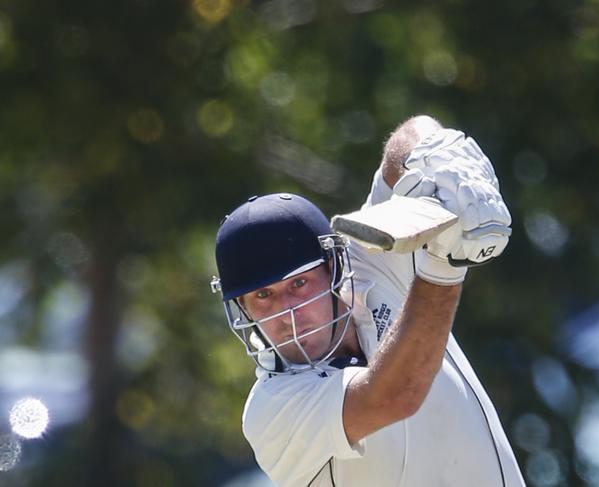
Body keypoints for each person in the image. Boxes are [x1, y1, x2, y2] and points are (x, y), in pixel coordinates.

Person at [211, 115, 526, 486]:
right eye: (263, 295)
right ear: (243, 309)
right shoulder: (271, 409)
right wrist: (444, 264)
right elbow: (393, 396)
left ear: (332, 268)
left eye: (299, 283)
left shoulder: (371, 263)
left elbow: (412, 135)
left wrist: (442, 158)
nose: (287, 312)